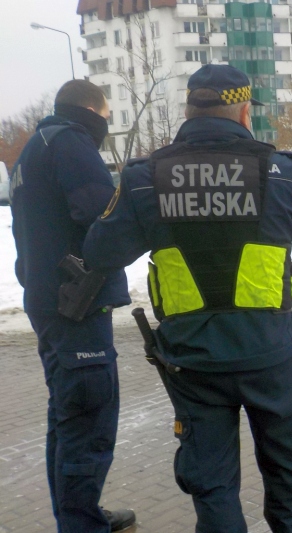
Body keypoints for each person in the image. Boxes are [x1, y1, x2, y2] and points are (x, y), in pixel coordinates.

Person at [83, 64, 292, 533]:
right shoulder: (284, 171)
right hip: (270, 354)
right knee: (290, 475)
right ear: (244, 111)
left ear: (188, 109)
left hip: (192, 358)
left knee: (212, 487)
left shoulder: (144, 176)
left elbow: (100, 251)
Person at [9, 80, 136, 532]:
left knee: (67, 419)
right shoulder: (71, 143)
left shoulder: (31, 150)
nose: (104, 124)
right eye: (105, 115)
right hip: (75, 306)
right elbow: (102, 217)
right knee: (88, 418)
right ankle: (81, 525)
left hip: (49, 304)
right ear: (92, 111)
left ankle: (78, 515)